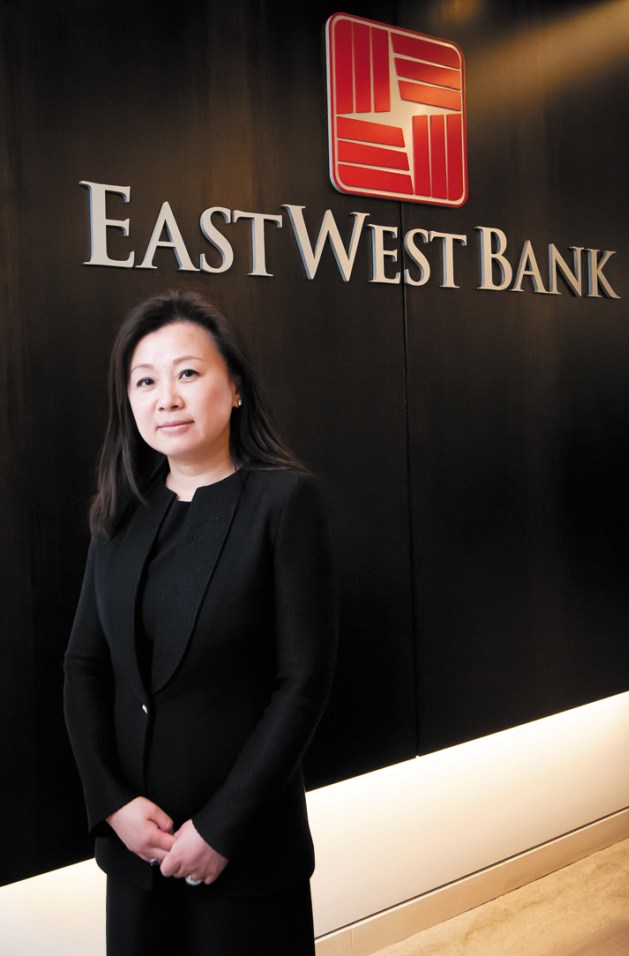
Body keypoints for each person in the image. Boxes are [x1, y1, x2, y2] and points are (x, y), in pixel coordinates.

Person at [63, 290, 338, 955]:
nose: (167, 398)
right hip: (138, 852)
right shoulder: (120, 512)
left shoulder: (284, 502)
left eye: (188, 373)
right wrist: (113, 805)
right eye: (146, 380)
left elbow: (301, 683)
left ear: (235, 387)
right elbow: (85, 666)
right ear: (128, 400)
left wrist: (220, 828)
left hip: (241, 852)